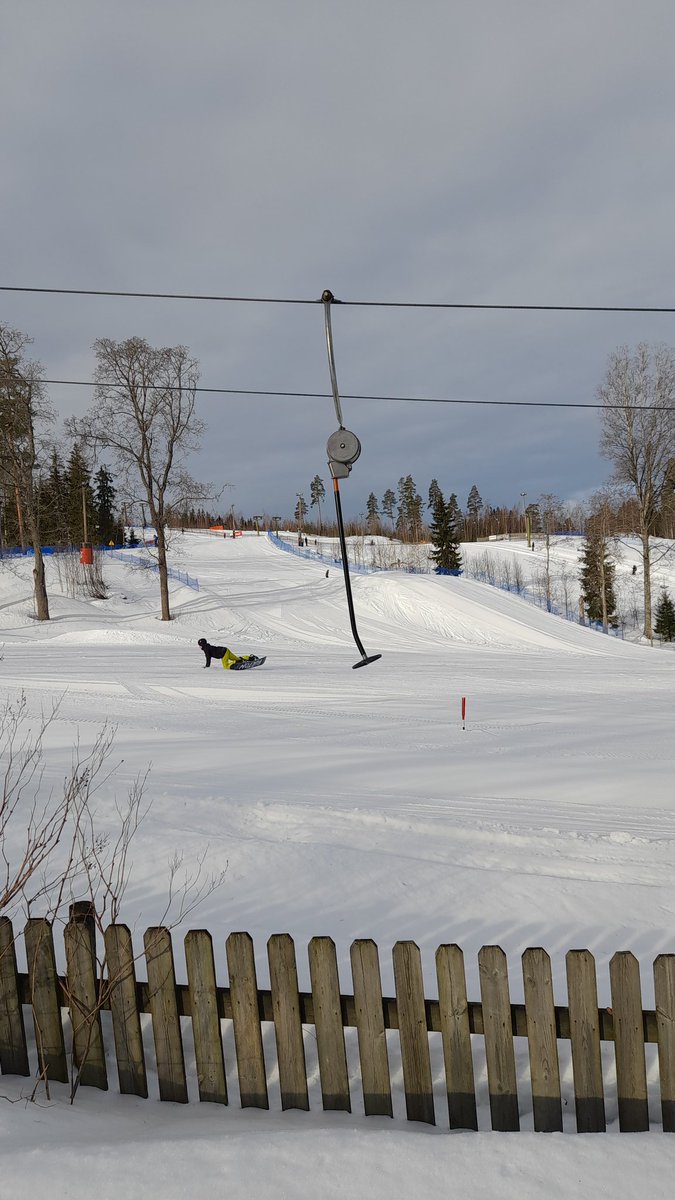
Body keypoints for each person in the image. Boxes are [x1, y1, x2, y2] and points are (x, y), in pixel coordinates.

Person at [197, 638, 262, 669]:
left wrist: (207, 666)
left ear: (202, 645)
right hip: (226, 650)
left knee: (226, 666)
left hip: (223, 654)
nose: (199, 646)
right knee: (237, 658)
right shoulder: (207, 647)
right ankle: (251, 657)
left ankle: (237, 663)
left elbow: (208, 657)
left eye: (199, 645)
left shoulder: (206, 649)